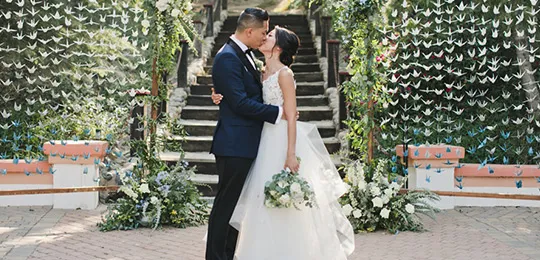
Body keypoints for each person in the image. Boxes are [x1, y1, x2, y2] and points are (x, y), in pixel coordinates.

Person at [211, 25, 355, 259]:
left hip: (280, 141)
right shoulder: (262, 71)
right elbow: (241, 94)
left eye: (269, 35)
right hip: (262, 140)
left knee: (282, 198)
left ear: (277, 47)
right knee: (260, 200)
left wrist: (290, 153)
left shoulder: (285, 74)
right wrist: (218, 93)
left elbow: (290, 117)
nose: (264, 37)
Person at [206, 7, 286, 260]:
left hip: (246, 142)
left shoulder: (245, 55)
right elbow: (240, 103)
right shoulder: (228, 56)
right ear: (249, 30)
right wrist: (278, 112)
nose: (265, 36)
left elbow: (237, 93)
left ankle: (228, 255)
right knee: (225, 207)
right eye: (263, 31)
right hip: (234, 144)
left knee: (236, 207)